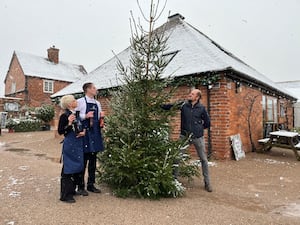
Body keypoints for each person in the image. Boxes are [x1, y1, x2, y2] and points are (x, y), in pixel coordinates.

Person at [163, 89, 212, 192]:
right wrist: (159, 105)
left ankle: (207, 183)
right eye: (190, 93)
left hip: (198, 137)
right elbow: (170, 106)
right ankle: (174, 180)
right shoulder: (183, 105)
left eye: (192, 94)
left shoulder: (202, 108)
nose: (190, 95)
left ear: (197, 97)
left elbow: (207, 123)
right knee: (177, 157)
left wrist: (198, 128)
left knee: (203, 159)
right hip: (184, 136)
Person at [76, 82, 104, 194]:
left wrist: (102, 121)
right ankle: (80, 186)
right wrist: (85, 116)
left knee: (93, 161)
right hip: (85, 133)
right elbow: (75, 116)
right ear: (87, 89)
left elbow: (98, 118)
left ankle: (91, 185)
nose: (95, 89)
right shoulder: (80, 101)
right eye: (93, 87)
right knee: (83, 161)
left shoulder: (97, 103)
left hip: (95, 133)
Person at [58, 95, 85, 203]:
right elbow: (61, 131)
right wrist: (69, 123)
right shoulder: (64, 116)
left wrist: (83, 132)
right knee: (68, 169)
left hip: (78, 143)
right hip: (70, 144)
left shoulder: (76, 114)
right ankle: (65, 195)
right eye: (74, 100)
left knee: (77, 167)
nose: (76, 101)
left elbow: (79, 127)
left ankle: (72, 190)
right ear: (69, 104)